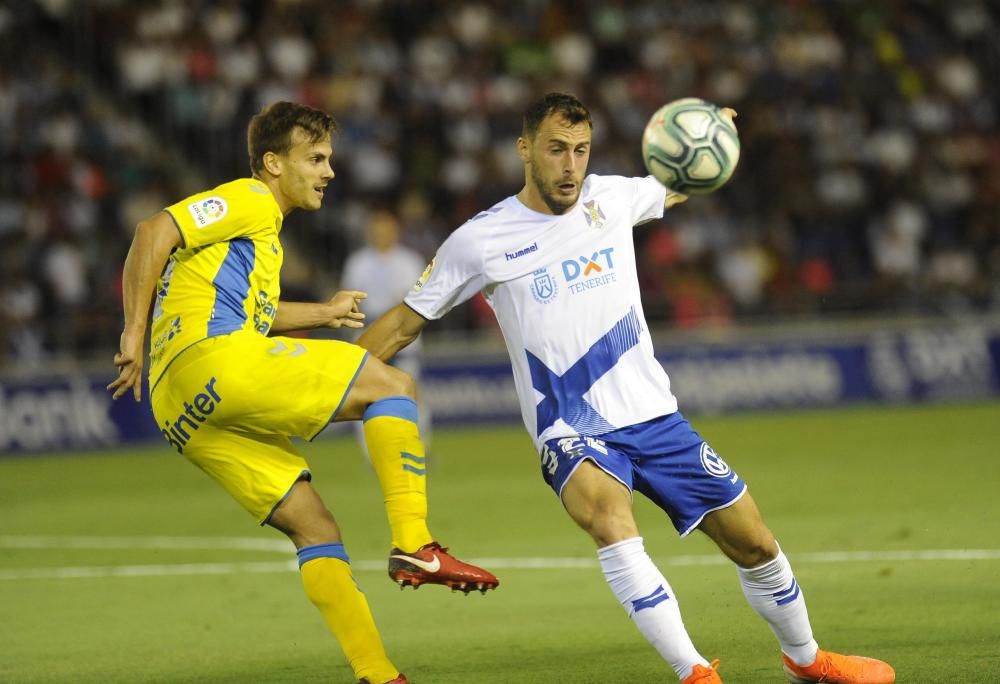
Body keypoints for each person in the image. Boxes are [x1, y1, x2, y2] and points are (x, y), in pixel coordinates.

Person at [357, 92, 895, 684]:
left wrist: (713, 134)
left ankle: (806, 659)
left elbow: (680, 180)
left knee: (755, 543)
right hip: (569, 425)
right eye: (556, 149)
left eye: (581, 150)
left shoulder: (611, 197)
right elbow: (404, 323)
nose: (570, 165)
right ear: (524, 149)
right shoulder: (479, 240)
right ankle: (694, 673)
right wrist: (321, 381)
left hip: (654, 415)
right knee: (612, 521)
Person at [107, 101, 498, 684]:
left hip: (181, 411)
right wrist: (132, 331)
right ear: (272, 163)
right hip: (212, 360)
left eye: (329, 159)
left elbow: (251, 313)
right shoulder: (251, 199)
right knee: (391, 384)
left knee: (314, 529)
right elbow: (153, 231)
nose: (329, 172)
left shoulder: (257, 241)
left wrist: (324, 311)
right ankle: (415, 541)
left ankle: (378, 673)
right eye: (315, 158)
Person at [341, 210, 432, 452]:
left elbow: (414, 300)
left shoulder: (409, 260)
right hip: (369, 330)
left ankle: (419, 446)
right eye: (377, 230)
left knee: (410, 389)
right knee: (364, 394)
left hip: (401, 332)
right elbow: (349, 299)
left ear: (396, 231)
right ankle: (372, 452)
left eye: (386, 229)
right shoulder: (358, 262)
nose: (381, 235)